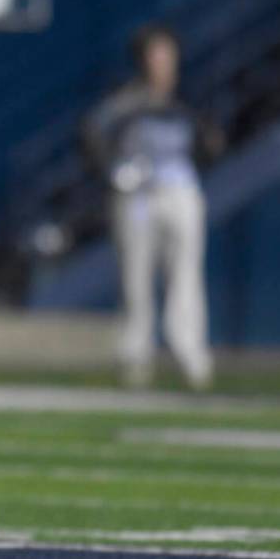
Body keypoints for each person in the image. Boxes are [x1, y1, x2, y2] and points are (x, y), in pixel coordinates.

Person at [83, 25, 223, 390]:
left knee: (186, 274)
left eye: (166, 55)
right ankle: (134, 355)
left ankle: (190, 355)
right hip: (138, 196)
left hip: (180, 191)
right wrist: (113, 171)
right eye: (154, 56)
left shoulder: (189, 99)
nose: (160, 63)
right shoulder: (126, 102)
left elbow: (211, 141)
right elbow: (91, 133)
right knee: (135, 277)